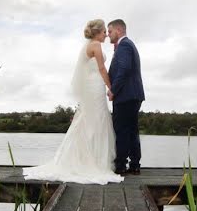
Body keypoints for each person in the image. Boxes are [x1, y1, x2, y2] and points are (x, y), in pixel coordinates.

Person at [23, 19, 123, 184]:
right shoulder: (96, 46)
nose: (106, 34)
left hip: (92, 85)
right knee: (96, 120)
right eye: (104, 31)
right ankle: (94, 161)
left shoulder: (88, 46)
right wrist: (111, 87)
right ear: (98, 32)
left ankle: (89, 158)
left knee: (90, 120)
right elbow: (102, 69)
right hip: (95, 85)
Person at [106, 19, 145, 175]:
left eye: (110, 31)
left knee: (122, 130)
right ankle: (134, 164)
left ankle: (121, 165)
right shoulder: (127, 45)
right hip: (133, 95)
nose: (108, 34)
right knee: (131, 130)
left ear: (119, 30)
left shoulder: (124, 46)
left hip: (125, 95)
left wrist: (113, 90)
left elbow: (124, 69)